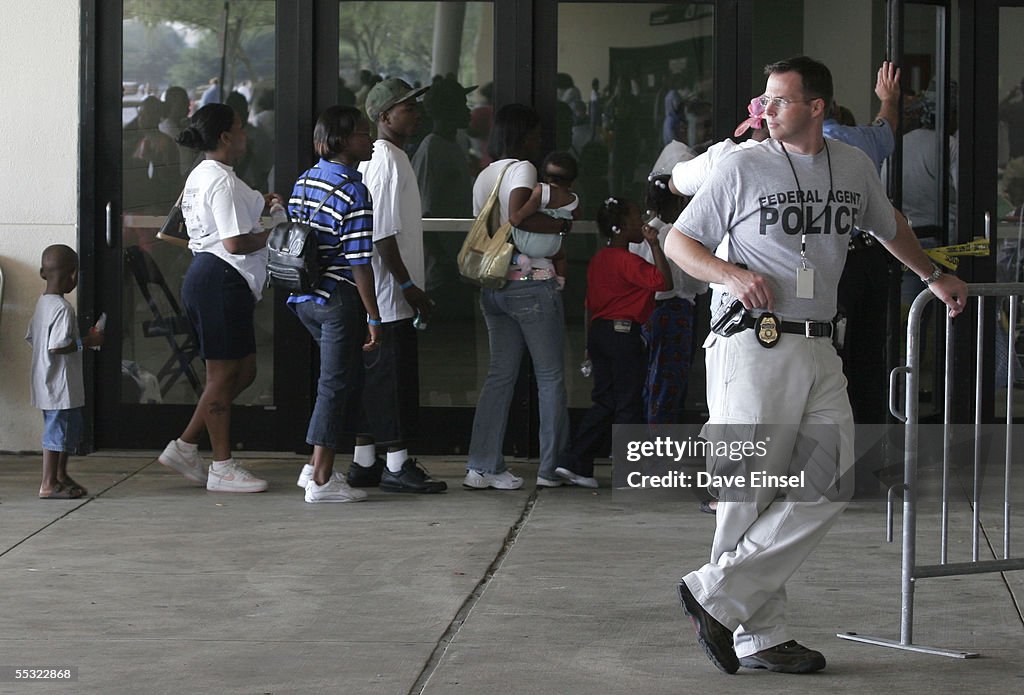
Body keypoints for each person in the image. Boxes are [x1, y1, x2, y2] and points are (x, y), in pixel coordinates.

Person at [663, 56, 967, 675]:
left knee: (830, 480)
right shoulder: (740, 165)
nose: (765, 111)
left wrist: (933, 274)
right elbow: (679, 240)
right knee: (747, 494)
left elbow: (889, 226)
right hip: (751, 342)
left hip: (820, 342)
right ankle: (760, 634)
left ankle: (716, 595)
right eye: (764, 100)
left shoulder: (852, 165)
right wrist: (731, 273)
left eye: (779, 101)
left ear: (817, 107)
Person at [158, 103, 287, 493]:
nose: (246, 134)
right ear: (226, 137)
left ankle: (184, 446)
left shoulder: (205, 173)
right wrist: (277, 232)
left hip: (213, 278)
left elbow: (225, 215)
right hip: (219, 278)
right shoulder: (223, 181)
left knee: (243, 371)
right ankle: (221, 466)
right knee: (222, 375)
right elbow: (234, 241)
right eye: (240, 129)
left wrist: (261, 203)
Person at [332, 78, 445, 494]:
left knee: (377, 380)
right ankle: (397, 464)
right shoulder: (383, 158)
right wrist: (410, 285)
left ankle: (365, 461)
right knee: (392, 381)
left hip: (387, 292)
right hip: (387, 293)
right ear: (383, 117)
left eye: (415, 106)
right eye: (406, 107)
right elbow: (379, 234)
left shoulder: (394, 155)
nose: (415, 113)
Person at [465, 104, 572, 490]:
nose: (540, 142)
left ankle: (482, 465)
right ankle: (550, 468)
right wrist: (562, 225)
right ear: (524, 136)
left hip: (494, 286)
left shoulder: (485, 175)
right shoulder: (523, 169)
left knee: (499, 376)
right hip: (530, 281)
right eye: (536, 135)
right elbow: (518, 216)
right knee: (550, 377)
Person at [288, 106, 383, 504]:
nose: (372, 141)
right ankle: (323, 480)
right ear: (343, 142)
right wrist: (374, 316)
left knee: (337, 379)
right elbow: (360, 261)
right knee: (334, 384)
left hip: (305, 297)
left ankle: (313, 466)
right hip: (339, 298)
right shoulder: (354, 191)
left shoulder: (305, 179)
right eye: (364, 134)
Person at [555, 197, 672, 488]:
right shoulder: (628, 261)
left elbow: (589, 305)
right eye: (635, 218)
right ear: (620, 228)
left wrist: (587, 344)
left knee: (605, 399)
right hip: (624, 335)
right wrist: (655, 245)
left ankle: (575, 462)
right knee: (628, 403)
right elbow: (663, 283)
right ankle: (628, 471)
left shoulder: (599, 260)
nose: (641, 222)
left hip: (600, 334)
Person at [26, 245, 105, 499]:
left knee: (61, 430)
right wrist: (87, 341)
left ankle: (60, 476)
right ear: (73, 276)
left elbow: (32, 337)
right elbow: (59, 346)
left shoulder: (42, 304)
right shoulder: (62, 308)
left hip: (44, 379)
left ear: (42, 273)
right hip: (60, 385)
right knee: (56, 433)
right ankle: (48, 483)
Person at [630, 176, 707, 425]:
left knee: (645, 378)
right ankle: (660, 450)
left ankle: (642, 444)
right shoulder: (680, 235)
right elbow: (695, 283)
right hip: (675, 312)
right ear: (680, 201)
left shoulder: (636, 235)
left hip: (642, 312)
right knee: (668, 382)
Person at [507, 150, 579, 286]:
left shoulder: (541, 190)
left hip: (525, 243)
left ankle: (519, 258)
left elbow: (531, 206)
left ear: (546, 177)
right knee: (562, 256)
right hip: (551, 248)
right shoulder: (573, 199)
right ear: (572, 182)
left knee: (509, 242)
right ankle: (561, 280)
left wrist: (519, 214)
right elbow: (576, 215)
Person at [411, 75, 476, 219]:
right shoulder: (431, 148)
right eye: (462, 105)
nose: (468, 111)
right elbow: (424, 209)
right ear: (449, 109)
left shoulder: (452, 143)